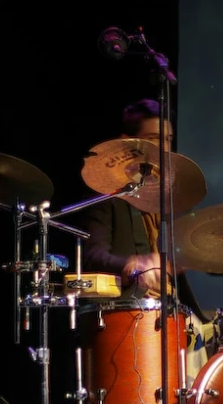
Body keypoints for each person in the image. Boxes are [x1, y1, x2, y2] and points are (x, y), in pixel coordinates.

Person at [79, 97, 213, 384]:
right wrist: (136, 264)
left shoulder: (173, 197)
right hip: (130, 318)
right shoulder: (107, 197)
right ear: (128, 142)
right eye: (153, 138)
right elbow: (93, 254)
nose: (162, 149)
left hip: (177, 317)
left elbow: (202, 249)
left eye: (167, 140)